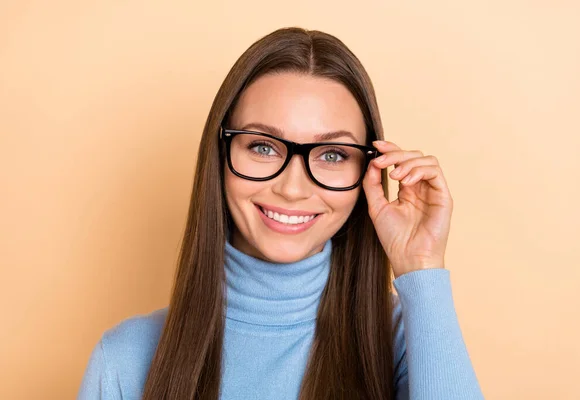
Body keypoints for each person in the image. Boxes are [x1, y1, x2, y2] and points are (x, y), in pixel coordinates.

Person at [77, 27, 484, 400]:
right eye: (263, 147)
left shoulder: (407, 340)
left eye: (332, 154)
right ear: (220, 156)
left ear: (368, 171)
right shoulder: (126, 360)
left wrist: (422, 267)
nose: (292, 188)